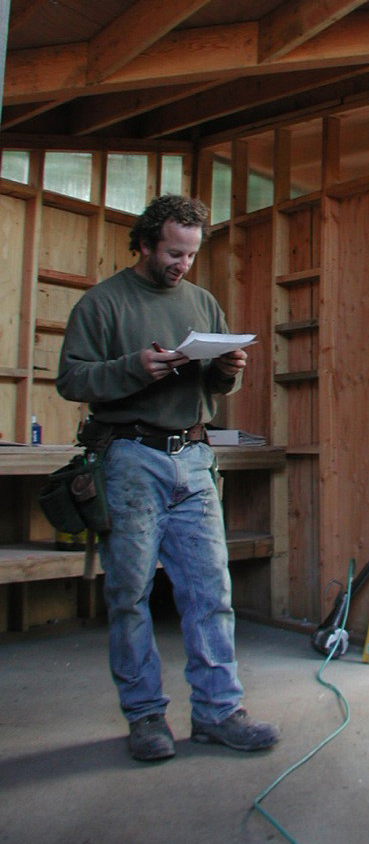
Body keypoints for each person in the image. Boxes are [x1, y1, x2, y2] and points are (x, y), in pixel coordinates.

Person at [57, 194, 279, 761]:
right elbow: (71, 381)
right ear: (146, 243)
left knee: (211, 591)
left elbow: (215, 388)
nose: (183, 265)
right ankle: (146, 717)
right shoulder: (102, 305)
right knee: (129, 594)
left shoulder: (203, 303)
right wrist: (134, 367)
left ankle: (218, 712)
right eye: (174, 253)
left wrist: (228, 370)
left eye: (191, 255)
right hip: (129, 459)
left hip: (194, 458)